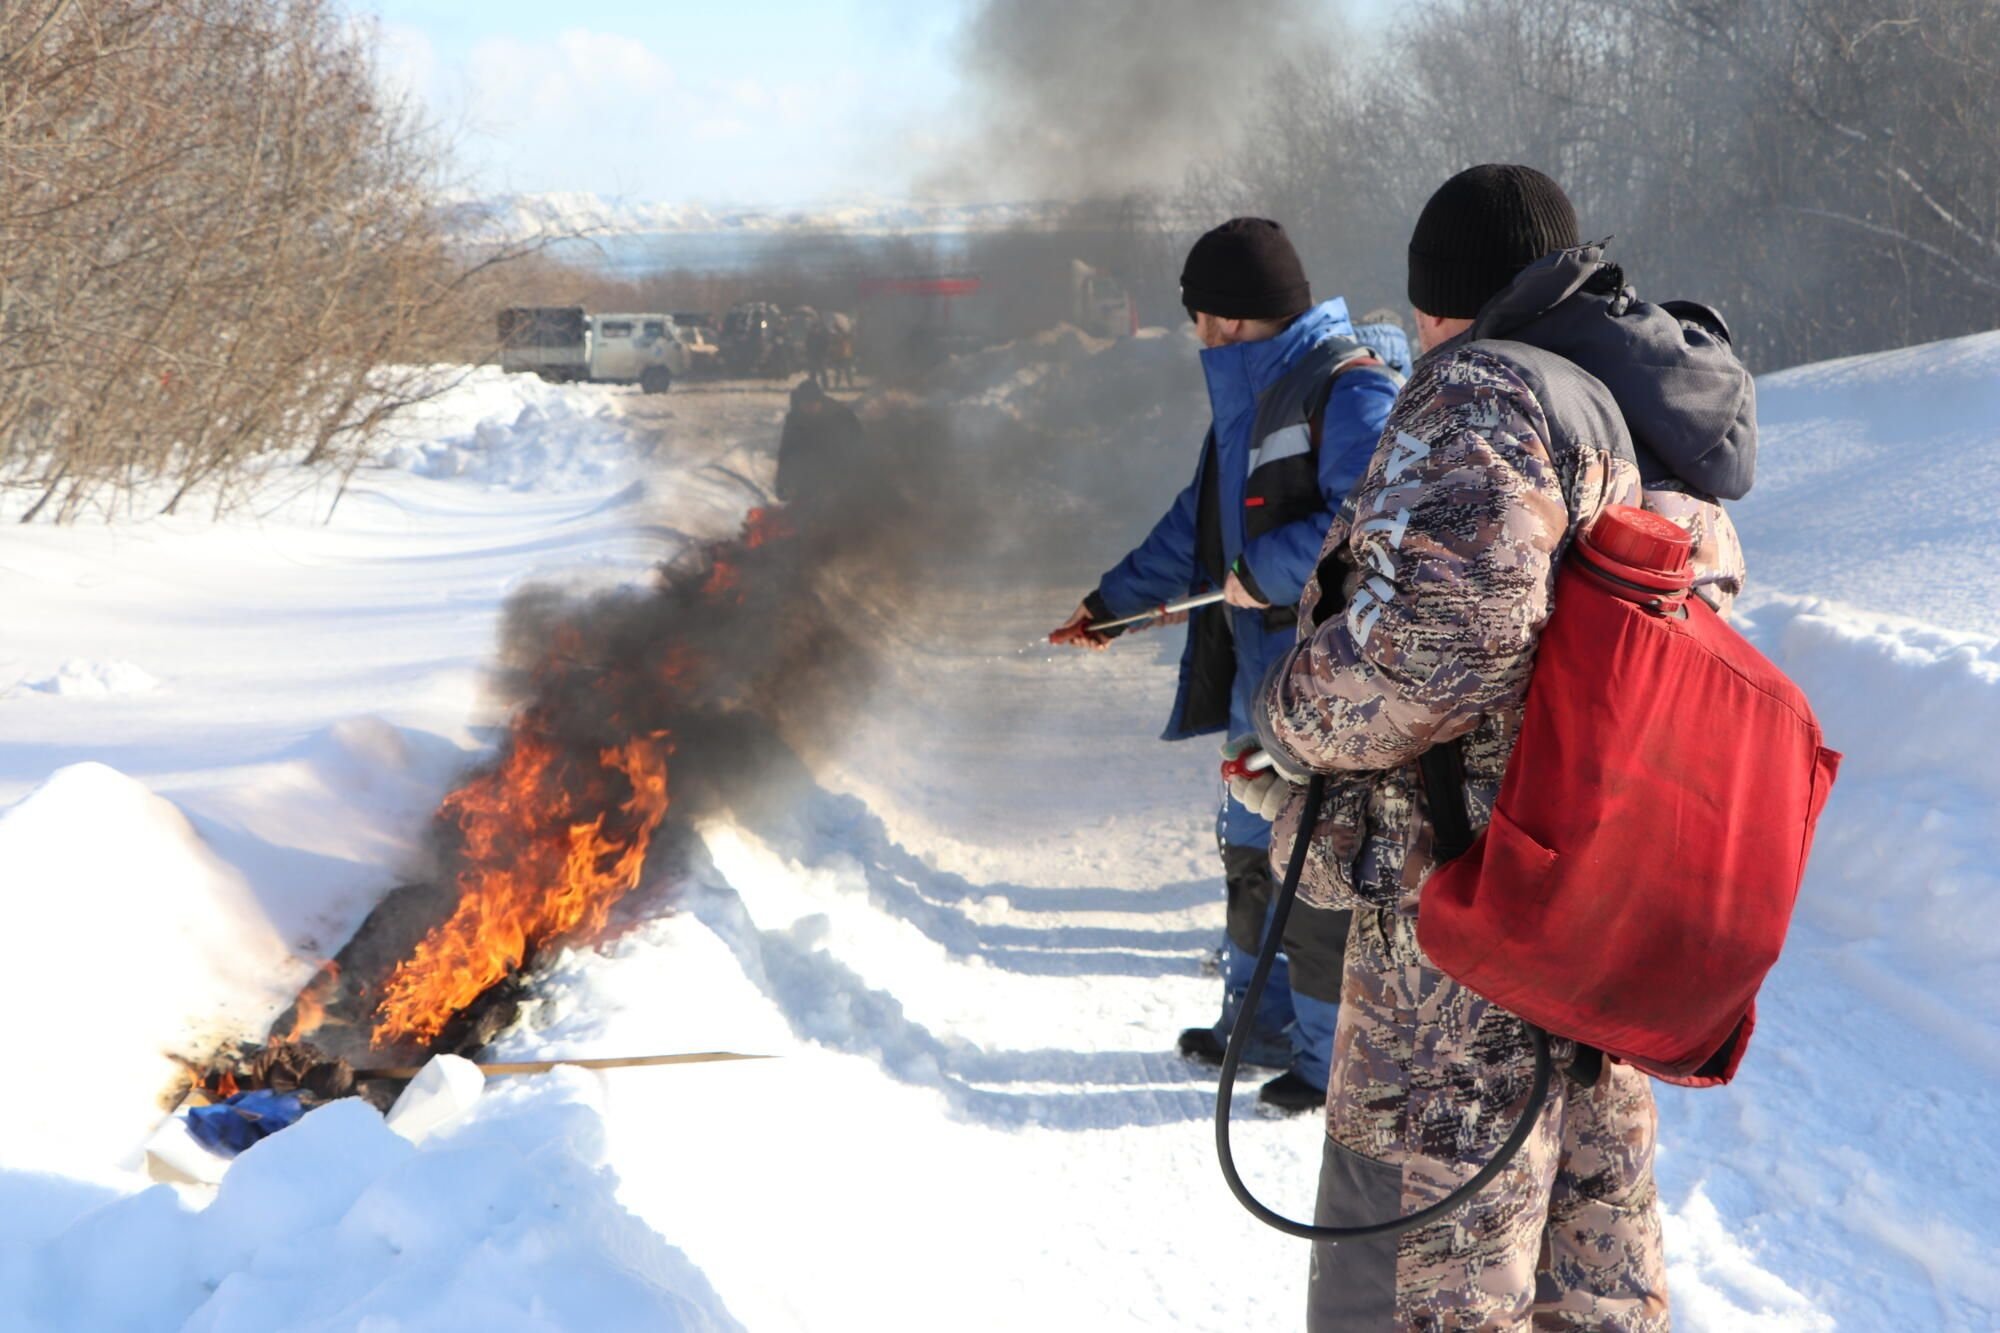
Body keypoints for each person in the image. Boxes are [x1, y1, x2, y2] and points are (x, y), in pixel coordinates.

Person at [1249, 164, 1752, 1329]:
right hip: (1603, 911)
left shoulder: (1479, 397)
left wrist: (1285, 716)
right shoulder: (1637, 407)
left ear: (1440, 302)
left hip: (1467, 935)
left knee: (1427, 1278)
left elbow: (1432, 654)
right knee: (1592, 1270)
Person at [1049, 218, 1400, 1113]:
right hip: (1258, 687)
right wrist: (1112, 604)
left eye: (1202, 318)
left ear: (1235, 320)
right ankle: (1259, 1018)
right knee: (1250, 856)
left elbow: (1365, 522)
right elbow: (1195, 530)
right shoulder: (1247, 407)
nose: (1196, 335)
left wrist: (1262, 571)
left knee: (1315, 867)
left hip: (1320, 688)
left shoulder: (1346, 390)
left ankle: (1327, 1061)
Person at [774, 377, 863, 505]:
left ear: (821, 401)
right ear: (799, 403)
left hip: (842, 465)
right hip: (811, 470)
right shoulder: (794, 418)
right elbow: (787, 451)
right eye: (805, 404)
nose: (809, 408)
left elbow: (854, 449)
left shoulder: (841, 416)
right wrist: (783, 482)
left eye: (813, 404)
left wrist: (840, 483)